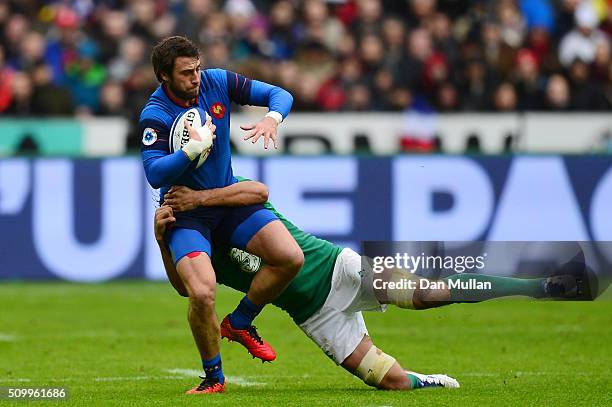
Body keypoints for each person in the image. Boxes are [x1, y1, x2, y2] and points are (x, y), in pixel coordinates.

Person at [154, 180, 589, 394]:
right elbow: (184, 289)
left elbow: (257, 190)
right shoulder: (192, 245)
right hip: (314, 317)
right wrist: (161, 239)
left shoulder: (236, 208)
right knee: (392, 382)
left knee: (426, 294)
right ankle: (429, 381)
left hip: (337, 269)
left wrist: (204, 198)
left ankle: (544, 285)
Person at [139, 36, 304, 394]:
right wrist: (189, 151)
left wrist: (273, 119)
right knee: (201, 293)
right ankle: (213, 378)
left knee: (290, 258)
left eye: (196, 68)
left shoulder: (218, 81)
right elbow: (154, 172)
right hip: (186, 214)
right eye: (186, 73)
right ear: (164, 76)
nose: (196, 77)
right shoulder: (156, 114)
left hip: (226, 201)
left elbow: (281, 95)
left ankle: (241, 321)